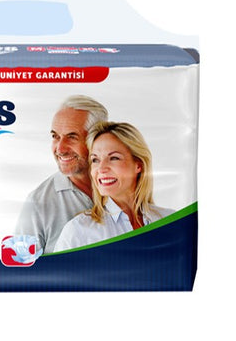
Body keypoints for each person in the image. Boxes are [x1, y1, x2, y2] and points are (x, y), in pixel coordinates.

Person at [54, 121, 174, 252]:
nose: (101, 169)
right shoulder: (78, 231)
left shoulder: (171, 222)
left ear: (138, 165)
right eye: (95, 160)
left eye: (114, 158)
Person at [14, 95, 108, 254]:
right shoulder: (38, 203)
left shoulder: (130, 188)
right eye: (55, 137)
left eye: (72, 137)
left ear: (98, 139)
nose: (60, 149)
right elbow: (19, 264)